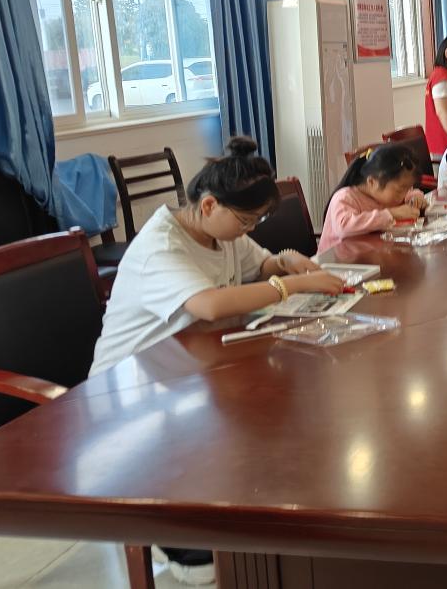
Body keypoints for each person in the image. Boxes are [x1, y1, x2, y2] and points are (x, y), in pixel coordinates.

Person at [89, 137, 344, 585]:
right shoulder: (161, 246)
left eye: (255, 222)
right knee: (259, 417)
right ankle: (173, 522)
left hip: (190, 368)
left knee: (281, 408)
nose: (248, 230)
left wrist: (287, 263)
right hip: (133, 389)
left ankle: (240, 508)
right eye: (245, 221)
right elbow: (208, 305)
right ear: (209, 205)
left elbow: (260, 266)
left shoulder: (220, 232)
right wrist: (293, 287)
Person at [318, 144, 428, 253]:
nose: (403, 195)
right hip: (337, 260)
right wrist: (390, 213)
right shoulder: (345, 197)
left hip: (367, 254)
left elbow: (411, 193)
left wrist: (415, 198)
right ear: (372, 182)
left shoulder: (387, 195)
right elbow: (344, 228)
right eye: (399, 190)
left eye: (407, 188)